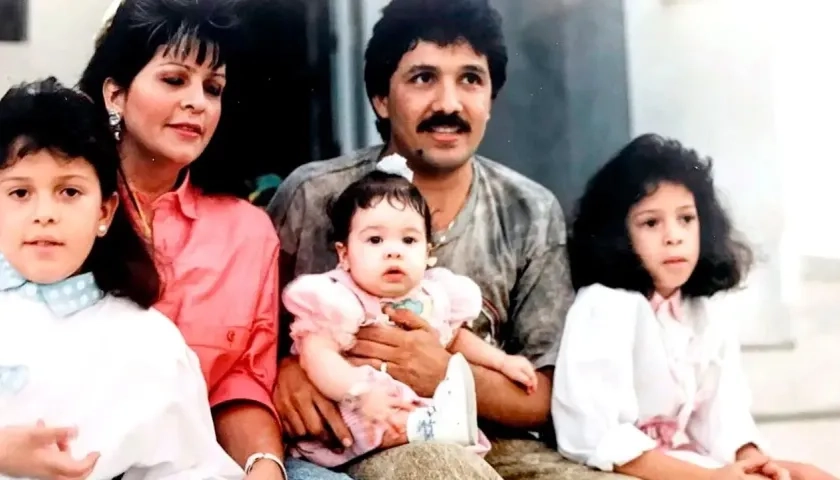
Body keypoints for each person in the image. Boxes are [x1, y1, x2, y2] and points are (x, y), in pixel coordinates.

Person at [268, 1, 607, 479]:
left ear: (491, 97)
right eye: (423, 78)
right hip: (363, 439)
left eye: (470, 79)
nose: (449, 104)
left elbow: (544, 394)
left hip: (493, 442)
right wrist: (287, 371)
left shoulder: (529, 211)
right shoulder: (314, 196)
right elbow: (250, 340)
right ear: (381, 99)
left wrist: (449, 372)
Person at [78, 1, 351, 479]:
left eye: (213, 88)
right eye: (174, 79)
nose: (197, 102)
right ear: (115, 93)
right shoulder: (60, 207)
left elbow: (238, 384)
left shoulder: (246, 232)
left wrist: (264, 466)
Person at [553, 133, 839, 480]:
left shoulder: (703, 311)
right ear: (619, 235)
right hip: (626, 471)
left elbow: (722, 415)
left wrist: (755, 462)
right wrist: (709, 478)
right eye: (651, 223)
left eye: (686, 219)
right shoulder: (606, 306)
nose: (673, 236)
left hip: (688, 462)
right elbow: (595, 435)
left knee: (813, 476)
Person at [0, 77, 242, 479]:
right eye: (20, 193)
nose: (45, 213)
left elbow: (192, 469)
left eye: (69, 192)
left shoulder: (148, 343)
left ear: (104, 212)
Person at [283, 165, 539, 467]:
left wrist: (502, 362)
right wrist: (358, 392)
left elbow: (455, 338)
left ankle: (432, 428)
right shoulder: (339, 298)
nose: (394, 252)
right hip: (361, 412)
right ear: (344, 254)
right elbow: (317, 355)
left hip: (419, 416)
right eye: (375, 240)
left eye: (409, 241)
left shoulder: (433, 295)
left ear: (428, 251)